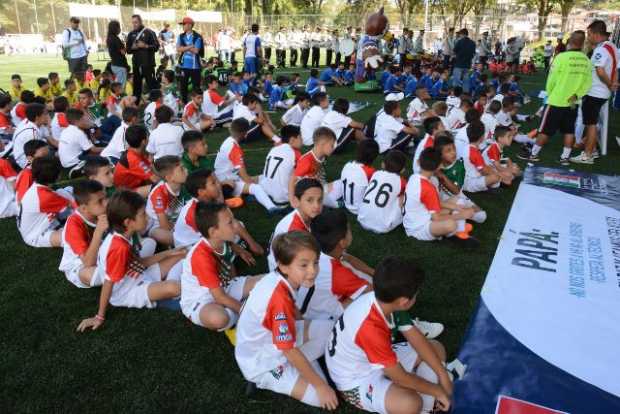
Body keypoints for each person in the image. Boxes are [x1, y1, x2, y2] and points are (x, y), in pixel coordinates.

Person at [325, 256, 452, 414]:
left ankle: (429, 406)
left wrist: (443, 375)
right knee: (411, 404)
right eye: (416, 294)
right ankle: (429, 405)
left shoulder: (386, 302)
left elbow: (415, 337)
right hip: (355, 380)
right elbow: (400, 378)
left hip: (371, 359)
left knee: (436, 348)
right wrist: (438, 390)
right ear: (404, 301)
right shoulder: (370, 328)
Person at [235, 231, 338, 410]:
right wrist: (320, 387)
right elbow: (288, 349)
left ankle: (302, 364)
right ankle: (267, 378)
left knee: (333, 330)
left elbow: (291, 309)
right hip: (261, 362)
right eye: (304, 265)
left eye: (315, 262)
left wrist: (302, 324)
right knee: (324, 398)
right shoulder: (278, 298)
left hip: (276, 342)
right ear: (283, 266)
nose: (313, 271)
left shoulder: (281, 279)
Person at [76, 191, 186, 332]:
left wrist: (171, 252)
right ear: (128, 222)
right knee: (174, 287)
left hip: (139, 274)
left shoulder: (125, 234)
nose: (147, 218)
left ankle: (163, 289)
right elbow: (108, 284)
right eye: (143, 215)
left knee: (182, 255)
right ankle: (166, 294)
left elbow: (140, 263)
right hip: (128, 292)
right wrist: (99, 316)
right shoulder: (118, 247)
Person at [181, 201, 262, 331]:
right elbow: (219, 297)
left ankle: (236, 310)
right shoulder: (201, 257)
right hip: (201, 300)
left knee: (267, 282)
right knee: (219, 319)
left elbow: (229, 257)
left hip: (224, 287)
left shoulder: (222, 240)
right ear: (213, 232)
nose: (236, 225)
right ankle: (239, 310)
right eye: (230, 222)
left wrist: (240, 251)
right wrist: (250, 314)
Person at [521, 31, 592, 165]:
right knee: (569, 130)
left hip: (556, 100)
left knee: (545, 129)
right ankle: (564, 157)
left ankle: (533, 154)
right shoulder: (586, 60)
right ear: (583, 43)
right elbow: (588, 83)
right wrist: (577, 95)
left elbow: (551, 80)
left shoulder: (561, 57)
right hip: (573, 102)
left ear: (569, 41)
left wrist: (551, 93)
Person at [404, 148, 476, 244]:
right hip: (418, 228)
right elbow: (436, 218)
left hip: (419, 216)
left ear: (418, 162)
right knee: (451, 224)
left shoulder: (414, 177)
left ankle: (460, 230)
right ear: (439, 166)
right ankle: (456, 232)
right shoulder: (428, 187)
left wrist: (455, 207)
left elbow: (433, 202)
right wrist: (461, 215)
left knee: (457, 201)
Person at [571, 20, 619, 164]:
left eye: (589, 34)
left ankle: (588, 154)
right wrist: (612, 84)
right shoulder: (612, 46)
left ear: (595, 34)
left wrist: (610, 84)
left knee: (590, 124)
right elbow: (616, 69)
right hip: (602, 93)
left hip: (595, 93)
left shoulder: (601, 49)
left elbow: (599, 70)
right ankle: (593, 149)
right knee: (592, 123)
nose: (588, 37)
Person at [214, 118, 279, 212]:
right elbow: (243, 175)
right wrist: (252, 186)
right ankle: (272, 207)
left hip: (226, 176)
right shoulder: (234, 148)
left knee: (262, 177)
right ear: (245, 133)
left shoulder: (229, 141)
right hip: (227, 181)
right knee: (256, 188)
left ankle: (249, 195)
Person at [59, 180, 108, 288]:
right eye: (100, 201)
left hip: (102, 255)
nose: (106, 203)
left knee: (146, 242)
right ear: (84, 208)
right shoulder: (74, 224)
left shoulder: (102, 211)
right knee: (92, 275)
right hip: (80, 265)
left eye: (106, 197)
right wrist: (98, 232)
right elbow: (88, 262)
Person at [18, 157, 73, 248]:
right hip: (35, 235)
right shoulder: (45, 196)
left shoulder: (37, 187)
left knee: (66, 192)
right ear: (57, 176)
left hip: (39, 223)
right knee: (71, 237)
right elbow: (76, 207)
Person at [357, 150, 407, 234]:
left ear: (383, 164)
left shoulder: (376, 174)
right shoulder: (402, 181)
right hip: (383, 227)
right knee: (404, 196)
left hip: (362, 218)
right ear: (402, 170)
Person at [145, 156, 188, 247]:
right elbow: (164, 225)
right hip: (156, 225)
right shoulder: (159, 193)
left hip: (174, 220)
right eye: (181, 169)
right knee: (165, 236)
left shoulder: (183, 186)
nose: (186, 170)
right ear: (169, 178)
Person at [258, 125, 303, 207]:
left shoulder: (274, 149)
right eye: (300, 137)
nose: (302, 140)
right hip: (283, 198)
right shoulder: (296, 153)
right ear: (292, 140)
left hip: (266, 191)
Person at [126, 14, 159, 104]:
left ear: (140, 22)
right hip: (136, 65)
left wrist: (145, 46)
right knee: (136, 87)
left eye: (136, 22)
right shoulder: (131, 34)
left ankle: (157, 106)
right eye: (133, 23)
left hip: (148, 64)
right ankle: (135, 108)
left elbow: (156, 47)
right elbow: (128, 50)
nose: (134, 24)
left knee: (152, 86)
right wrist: (133, 47)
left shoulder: (149, 32)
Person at [340, 139, 379, 215]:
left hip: (347, 204)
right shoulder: (371, 172)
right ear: (375, 156)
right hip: (361, 209)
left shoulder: (347, 164)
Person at [177, 17, 204, 104]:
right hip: (183, 66)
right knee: (183, 87)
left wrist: (184, 48)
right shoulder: (181, 36)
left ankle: (196, 103)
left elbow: (196, 51)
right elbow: (178, 49)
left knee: (196, 88)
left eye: (184, 24)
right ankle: (185, 104)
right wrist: (190, 46)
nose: (183, 26)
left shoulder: (197, 37)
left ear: (189, 25)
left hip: (195, 67)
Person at [106, 20, 129, 90]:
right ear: (115, 28)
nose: (120, 29)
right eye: (119, 27)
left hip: (114, 64)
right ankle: (118, 100)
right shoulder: (115, 39)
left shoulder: (109, 38)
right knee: (120, 88)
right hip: (120, 65)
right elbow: (123, 52)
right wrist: (127, 44)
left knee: (117, 85)